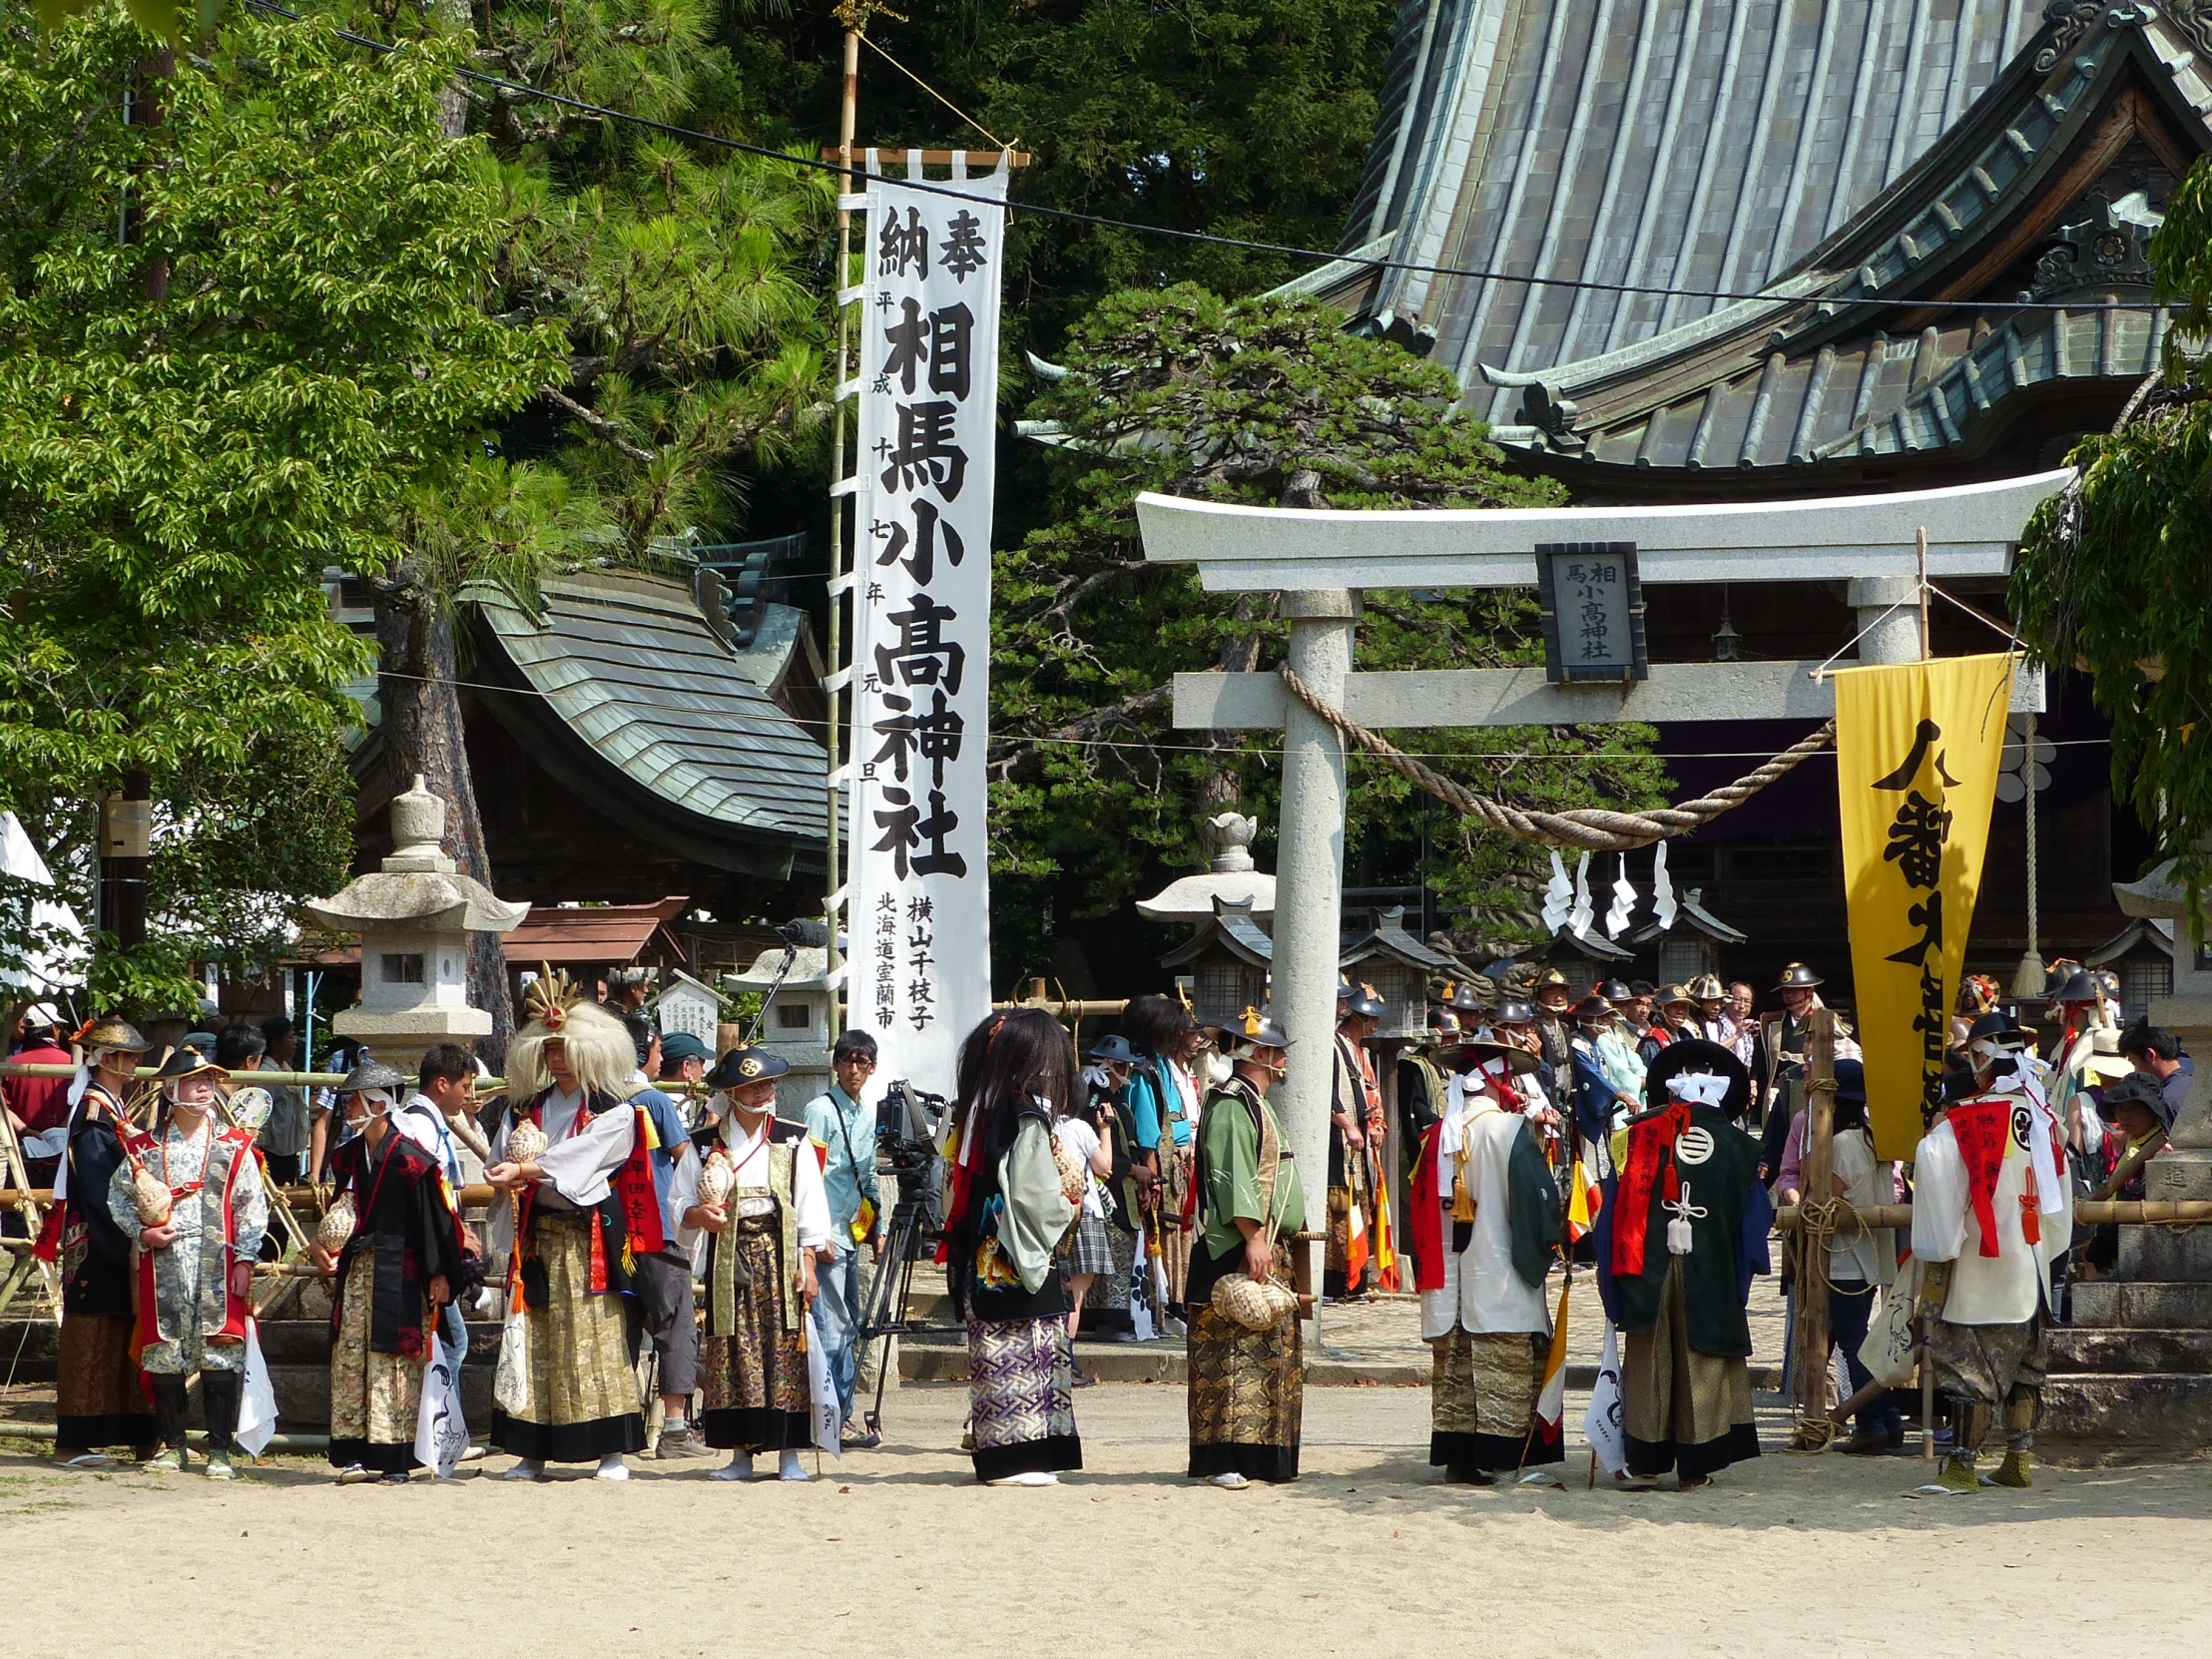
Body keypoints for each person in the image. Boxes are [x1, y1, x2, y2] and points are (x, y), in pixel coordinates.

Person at [482, 976, 663, 1481]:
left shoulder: (615, 1107)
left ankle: (610, 1451)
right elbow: (503, 1154)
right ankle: (531, 1450)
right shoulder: (526, 1106)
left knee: (596, 1336)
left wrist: (525, 1170)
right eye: (550, 1048)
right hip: (539, 1235)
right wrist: (501, 1173)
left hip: (588, 1239)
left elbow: (581, 1158)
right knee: (535, 1338)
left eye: (565, 1048)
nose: (557, 1057)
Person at [1595, 1039, 1770, 1489]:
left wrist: (1609, 1278)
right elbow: (1755, 1223)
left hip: (1644, 1264)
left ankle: (1646, 1462)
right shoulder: (1739, 1146)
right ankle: (1697, 1468)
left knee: (1648, 1360)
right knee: (1702, 1360)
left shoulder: (1632, 1136)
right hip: (1709, 1266)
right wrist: (1745, 1271)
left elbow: (1609, 1215)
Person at [1911, 1012, 2072, 1492]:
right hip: (2033, 1259)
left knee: (1967, 1367)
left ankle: (1962, 1466)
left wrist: (1939, 1250)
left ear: (1981, 1058)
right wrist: (2044, 1247)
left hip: (1981, 1262)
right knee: (2025, 1364)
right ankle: (2018, 1461)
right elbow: (2062, 1203)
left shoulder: (1962, 1122)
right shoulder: (2046, 1121)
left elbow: (1937, 1182)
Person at [109, 1045, 269, 1478]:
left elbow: (251, 1205)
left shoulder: (234, 1147)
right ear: (170, 1088)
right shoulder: (144, 1148)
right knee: (165, 1350)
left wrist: (246, 1259)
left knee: (220, 1348)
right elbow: (118, 1198)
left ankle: (220, 1450)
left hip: (219, 1260)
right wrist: (142, 1233)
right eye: (196, 1081)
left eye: (211, 1081)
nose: (205, 1089)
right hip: (165, 1259)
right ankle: (174, 1446)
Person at [1409, 1036, 1561, 1484]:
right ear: (1499, 1082)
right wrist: (1547, 1244)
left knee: (1455, 1367)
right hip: (1499, 1269)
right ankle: (1499, 1452)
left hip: (1449, 1272)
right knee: (1502, 1363)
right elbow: (1538, 1203)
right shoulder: (1510, 1130)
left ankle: (1459, 1457)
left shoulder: (1436, 1135)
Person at [942, 1007, 1083, 1486]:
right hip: (1016, 1246)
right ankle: (1017, 1458)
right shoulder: (1021, 1113)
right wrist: (1068, 1209)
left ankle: (1010, 1454)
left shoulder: (978, 1109)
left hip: (983, 1243)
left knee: (998, 1350)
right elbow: (1035, 1195)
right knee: (1024, 1348)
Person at [313, 1061, 465, 1483]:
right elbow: (339, 1216)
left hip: (402, 1270)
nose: (347, 1110)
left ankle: (396, 1457)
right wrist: (320, 1245)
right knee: (351, 1357)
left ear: (379, 1104)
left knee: (394, 1361)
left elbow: (436, 1222)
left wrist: (439, 1274)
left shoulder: (412, 1160)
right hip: (358, 1270)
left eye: (355, 1101)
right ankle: (354, 1452)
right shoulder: (347, 1158)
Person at [686, 1043, 829, 1482]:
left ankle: (789, 1453)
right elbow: (679, 1203)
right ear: (731, 1092)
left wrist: (808, 1262)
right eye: (752, 1085)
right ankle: (740, 1455)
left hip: (779, 1251)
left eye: (768, 1083)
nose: (764, 1092)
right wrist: (697, 1215)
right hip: (728, 1254)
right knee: (732, 1349)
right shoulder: (705, 1143)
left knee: (784, 1347)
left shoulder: (792, 1137)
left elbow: (807, 1204)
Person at [1186, 1006, 1307, 1488]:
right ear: (1259, 1054)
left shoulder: (1253, 1101)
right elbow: (1235, 1177)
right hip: (1235, 1248)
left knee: (1266, 1357)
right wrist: (1254, 1237)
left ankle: (1261, 1457)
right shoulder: (1233, 1105)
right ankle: (1224, 1459)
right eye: (1277, 1052)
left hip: (1263, 1243)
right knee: (1230, 1356)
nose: (1283, 1061)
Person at [42, 1017, 157, 1465]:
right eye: (129, 1058)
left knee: (123, 1328)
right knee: (94, 1331)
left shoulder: (109, 1110)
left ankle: (130, 1429)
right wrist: (129, 1234)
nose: (134, 1065)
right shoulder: (94, 1118)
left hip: (113, 1232)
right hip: (99, 1237)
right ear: (109, 1060)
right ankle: (79, 1434)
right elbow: (99, 1187)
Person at [619, 1011, 708, 1461]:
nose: (660, 1058)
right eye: (656, 1050)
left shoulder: (598, 1098)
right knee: (675, 1322)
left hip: (611, 1229)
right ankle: (674, 1427)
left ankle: (619, 1423)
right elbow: (684, 1157)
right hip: (654, 1223)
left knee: (622, 1326)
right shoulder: (652, 1100)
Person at [804, 1028, 887, 1443]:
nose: (854, 1070)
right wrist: (815, 1233)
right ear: (835, 1064)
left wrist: (878, 1229)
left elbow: (867, 1177)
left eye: (863, 1063)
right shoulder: (819, 1110)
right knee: (832, 1325)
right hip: (827, 1233)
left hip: (854, 1230)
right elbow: (808, 1176)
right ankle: (835, 1419)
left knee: (849, 1324)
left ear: (872, 1069)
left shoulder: (867, 1115)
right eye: (847, 1061)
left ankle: (842, 1414)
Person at [1816, 1059, 1904, 1455]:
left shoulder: (1842, 1143)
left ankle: (1871, 1423)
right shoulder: (1873, 1140)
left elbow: (1830, 1197)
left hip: (1846, 1257)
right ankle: (1887, 1420)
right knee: (1860, 1340)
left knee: (1852, 1342)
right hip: (1870, 1254)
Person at [1122, 993, 1197, 1314]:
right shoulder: (1142, 1070)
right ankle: (1162, 1302)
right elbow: (1147, 1127)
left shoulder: (1163, 1063)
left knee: (1179, 1229)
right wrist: (1151, 1173)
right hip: (1159, 1160)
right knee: (1160, 1228)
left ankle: (1177, 1297)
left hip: (1180, 1157)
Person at [1327, 980, 1387, 1299]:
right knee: (1337, 1208)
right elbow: (1325, 1090)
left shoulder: (1353, 1047)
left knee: (1358, 1206)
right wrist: (1348, 1124)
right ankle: (1336, 1283)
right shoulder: (1329, 1042)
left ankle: (1356, 1278)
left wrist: (1374, 1121)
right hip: (1335, 1141)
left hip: (1356, 1140)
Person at [253, 1017, 310, 1184]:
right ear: (276, 1042)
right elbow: (261, 1114)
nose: (295, 1041)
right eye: (290, 1037)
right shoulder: (266, 1074)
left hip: (286, 1148)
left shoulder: (284, 1067)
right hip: (270, 1149)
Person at [2118, 1019, 2192, 1131]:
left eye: (2135, 1063)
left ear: (2150, 1055)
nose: (2136, 1071)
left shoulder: (2165, 1101)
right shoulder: (2197, 1084)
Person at [1638, 985, 1697, 1066]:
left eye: (1683, 1007)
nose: (1680, 1011)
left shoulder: (1685, 1035)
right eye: (1674, 1006)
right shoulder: (1653, 1040)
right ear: (1660, 1008)